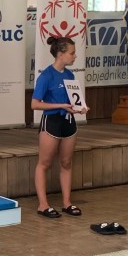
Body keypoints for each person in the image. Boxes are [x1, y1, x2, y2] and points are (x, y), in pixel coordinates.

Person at [31, 36, 89, 219]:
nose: (75, 56)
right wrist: (60, 106)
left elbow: (73, 101)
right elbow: (35, 104)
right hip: (52, 122)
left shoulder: (70, 76)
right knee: (45, 163)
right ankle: (43, 205)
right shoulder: (46, 76)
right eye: (72, 53)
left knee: (66, 162)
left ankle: (67, 202)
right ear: (60, 54)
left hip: (68, 122)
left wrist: (79, 108)